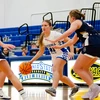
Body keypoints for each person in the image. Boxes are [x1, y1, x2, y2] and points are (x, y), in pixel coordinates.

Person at [45, 9, 100, 100]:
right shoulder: (82, 26)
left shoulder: (76, 22)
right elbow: (72, 41)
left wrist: (55, 40)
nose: (70, 20)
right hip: (97, 45)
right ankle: (92, 89)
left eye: (69, 18)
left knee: (77, 68)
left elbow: (69, 32)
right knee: (85, 68)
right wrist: (60, 46)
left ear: (72, 18)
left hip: (91, 44)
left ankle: (94, 87)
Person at [28, 20, 79, 97]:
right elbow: (40, 52)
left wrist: (72, 52)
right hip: (54, 56)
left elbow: (70, 41)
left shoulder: (56, 34)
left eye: (45, 25)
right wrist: (31, 61)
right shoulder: (42, 38)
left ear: (50, 26)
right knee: (60, 77)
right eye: (42, 25)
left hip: (63, 53)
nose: (43, 27)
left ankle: (53, 89)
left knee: (55, 68)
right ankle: (74, 87)